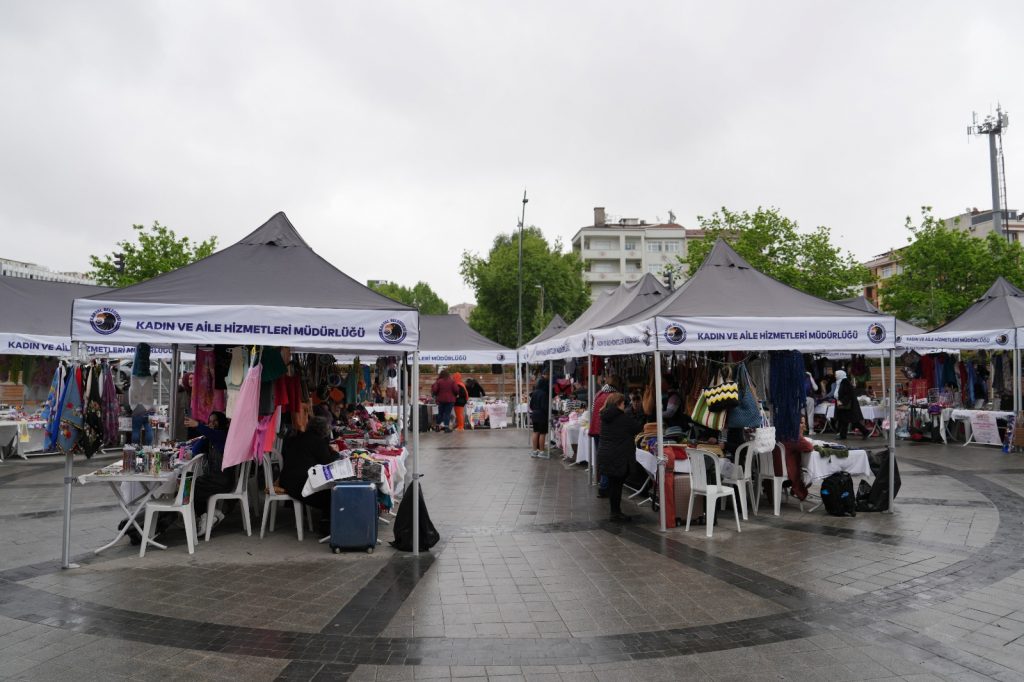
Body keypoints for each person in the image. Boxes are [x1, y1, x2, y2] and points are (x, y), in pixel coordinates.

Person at [279, 416, 338, 533]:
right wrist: (334, 454)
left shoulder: (299, 437)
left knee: (329, 492)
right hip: (299, 485)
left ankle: (326, 521)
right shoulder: (318, 442)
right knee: (334, 494)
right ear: (324, 431)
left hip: (287, 480)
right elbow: (327, 463)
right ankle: (328, 526)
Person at [184, 411, 236, 535]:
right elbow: (196, 449)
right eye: (210, 421)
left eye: (215, 421)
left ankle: (205, 516)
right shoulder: (211, 437)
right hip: (213, 478)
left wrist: (198, 425)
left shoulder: (223, 436)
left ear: (222, 422)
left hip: (222, 480)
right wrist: (205, 436)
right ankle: (210, 514)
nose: (211, 424)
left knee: (190, 488)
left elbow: (213, 433)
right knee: (188, 485)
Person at [595, 392, 643, 522]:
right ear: (618, 404)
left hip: (606, 454)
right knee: (617, 485)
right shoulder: (623, 418)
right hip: (619, 456)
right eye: (623, 403)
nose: (625, 405)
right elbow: (638, 428)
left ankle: (615, 511)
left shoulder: (605, 416)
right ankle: (615, 513)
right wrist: (638, 413)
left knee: (613, 484)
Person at [589, 376, 621, 496]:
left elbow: (593, 411)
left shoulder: (599, 393)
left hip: (596, 428)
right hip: (606, 430)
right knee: (608, 458)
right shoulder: (614, 396)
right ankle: (605, 485)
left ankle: (601, 482)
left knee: (601, 456)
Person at [834, 370, 869, 439]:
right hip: (845, 405)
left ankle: (865, 431)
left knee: (853, 421)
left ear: (840, 374)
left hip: (848, 406)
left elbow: (849, 394)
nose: (835, 376)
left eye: (836, 374)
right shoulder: (840, 382)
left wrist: (842, 401)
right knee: (844, 420)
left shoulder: (845, 382)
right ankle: (843, 435)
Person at [128, 367, 154, 446]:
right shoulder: (149, 381)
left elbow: (130, 398)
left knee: (136, 430)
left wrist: (132, 407)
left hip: (136, 408)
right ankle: (148, 446)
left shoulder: (133, 384)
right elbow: (151, 396)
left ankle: (135, 447)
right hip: (147, 407)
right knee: (148, 428)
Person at [529, 373, 550, 458]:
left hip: (534, 414)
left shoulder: (534, 393)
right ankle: (541, 452)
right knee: (542, 433)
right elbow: (545, 407)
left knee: (535, 432)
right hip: (542, 415)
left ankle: (534, 451)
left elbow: (531, 405)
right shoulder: (544, 393)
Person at [804, 372, 818, 436]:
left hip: (801, 398)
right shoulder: (810, 378)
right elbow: (816, 388)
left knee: (802, 415)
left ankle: (802, 430)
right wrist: (811, 377)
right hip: (810, 398)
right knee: (810, 414)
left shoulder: (799, 379)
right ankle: (810, 431)